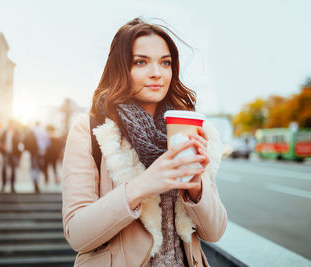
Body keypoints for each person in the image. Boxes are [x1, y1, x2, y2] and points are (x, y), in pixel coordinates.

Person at [62, 18, 227, 266]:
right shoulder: (92, 129)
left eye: (165, 62)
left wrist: (196, 187)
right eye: (141, 62)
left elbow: (215, 232)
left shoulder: (191, 128)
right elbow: (77, 234)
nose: (156, 73)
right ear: (121, 68)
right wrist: (144, 185)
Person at [0, 120, 22, 193]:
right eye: (11, 124)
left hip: (14, 153)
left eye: (14, 124)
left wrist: (15, 137)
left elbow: (20, 142)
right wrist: (2, 146)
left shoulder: (17, 133)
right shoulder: (5, 132)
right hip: (6, 153)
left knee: (13, 170)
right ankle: (3, 184)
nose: (12, 126)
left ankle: (12, 185)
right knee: (4, 168)